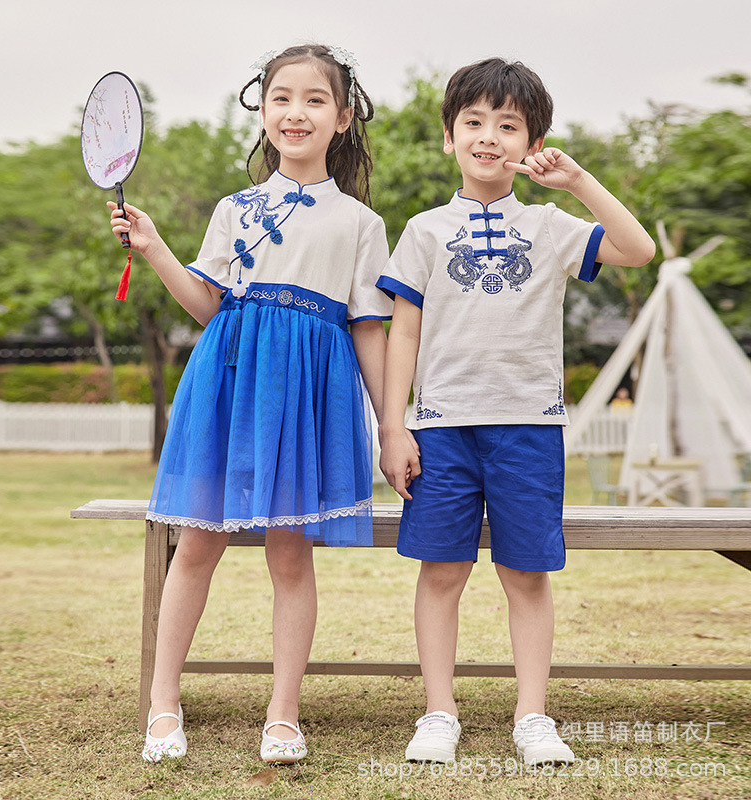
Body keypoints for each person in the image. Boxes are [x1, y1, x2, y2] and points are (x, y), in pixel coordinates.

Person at [108, 44, 391, 764]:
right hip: (230, 382)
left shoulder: (360, 223)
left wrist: (393, 423)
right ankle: (163, 704)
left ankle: (284, 715)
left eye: (315, 100)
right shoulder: (235, 209)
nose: (296, 112)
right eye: (281, 98)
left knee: (291, 553)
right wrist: (154, 246)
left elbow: (367, 327)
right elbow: (208, 304)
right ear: (262, 112)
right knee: (198, 540)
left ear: (343, 117)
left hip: (305, 395)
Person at [377, 58, 655, 766]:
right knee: (441, 570)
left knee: (525, 574)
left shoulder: (550, 224)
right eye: (474, 122)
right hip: (440, 427)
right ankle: (439, 711)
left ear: (531, 143)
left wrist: (578, 182)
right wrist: (394, 423)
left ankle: (533, 714)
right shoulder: (425, 231)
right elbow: (402, 330)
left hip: (529, 425)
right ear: (450, 135)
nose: (489, 137)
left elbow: (637, 248)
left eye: (509, 125)